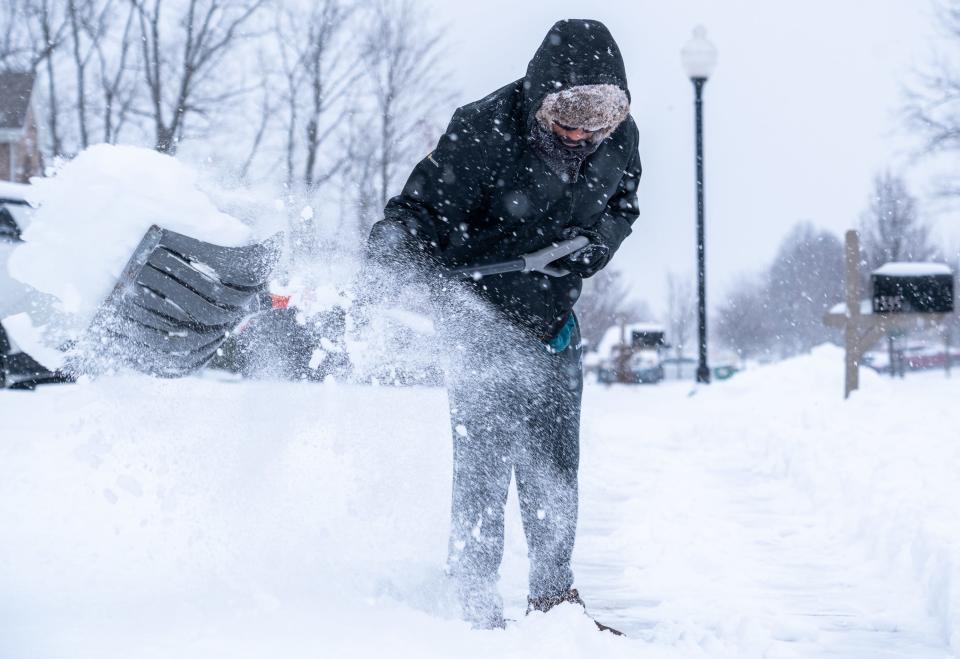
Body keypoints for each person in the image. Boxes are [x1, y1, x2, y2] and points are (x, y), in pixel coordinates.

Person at [365, 18, 641, 631]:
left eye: (592, 125)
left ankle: (552, 599)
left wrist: (598, 243)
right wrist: (398, 246)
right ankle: (472, 601)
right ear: (541, 96)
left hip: (552, 319)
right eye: (564, 120)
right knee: (485, 462)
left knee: (555, 463)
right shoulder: (484, 128)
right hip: (479, 313)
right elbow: (421, 208)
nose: (577, 135)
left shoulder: (618, 137)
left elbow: (625, 202)